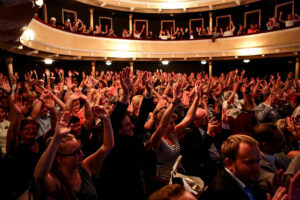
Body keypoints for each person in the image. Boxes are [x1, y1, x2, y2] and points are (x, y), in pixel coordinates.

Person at [34, 107, 114, 199]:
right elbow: (39, 176)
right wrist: (56, 138)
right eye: (75, 153)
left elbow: (107, 146)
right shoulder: (56, 183)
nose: (82, 155)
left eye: (80, 149)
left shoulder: (84, 168)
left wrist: (106, 120)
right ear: (60, 158)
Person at [150, 81, 200, 181]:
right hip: (165, 180)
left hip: (179, 174)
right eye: (170, 123)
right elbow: (163, 124)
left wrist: (197, 97)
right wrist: (174, 103)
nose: (173, 125)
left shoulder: (173, 133)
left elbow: (189, 118)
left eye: (173, 122)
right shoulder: (157, 139)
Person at [199, 134, 267, 200]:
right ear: (229, 164)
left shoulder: (247, 179)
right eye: (249, 162)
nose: (257, 168)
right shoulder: (218, 194)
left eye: (258, 161)